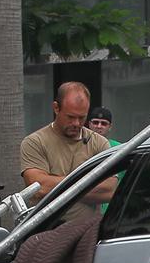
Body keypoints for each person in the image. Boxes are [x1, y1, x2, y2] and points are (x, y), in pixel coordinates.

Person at [20, 81, 114, 225]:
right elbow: (38, 188)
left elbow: (109, 190)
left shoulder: (99, 143)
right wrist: (89, 184)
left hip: (87, 232)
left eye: (82, 117)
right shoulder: (35, 142)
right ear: (56, 108)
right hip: (46, 231)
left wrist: (53, 183)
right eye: (70, 117)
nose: (76, 123)